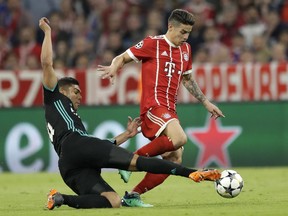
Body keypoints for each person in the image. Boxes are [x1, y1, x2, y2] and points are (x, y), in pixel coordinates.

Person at [39, 17, 221, 210]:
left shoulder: (71, 121)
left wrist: (126, 135)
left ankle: (59, 198)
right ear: (62, 90)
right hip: (79, 144)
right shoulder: (53, 96)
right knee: (140, 161)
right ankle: (192, 173)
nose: (79, 97)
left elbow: (96, 146)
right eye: (76, 92)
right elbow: (46, 64)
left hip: (68, 163)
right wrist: (48, 32)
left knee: (112, 201)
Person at [97, 9, 225, 207]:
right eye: (183, 32)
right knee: (180, 138)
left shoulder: (186, 50)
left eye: (189, 32)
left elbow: (188, 79)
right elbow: (121, 57)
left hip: (170, 110)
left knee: (174, 159)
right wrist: (115, 67)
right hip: (153, 106)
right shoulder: (152, 44)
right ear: (170, 27)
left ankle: (132, 196)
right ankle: (129, 162)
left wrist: (206, 102)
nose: (186, 36)